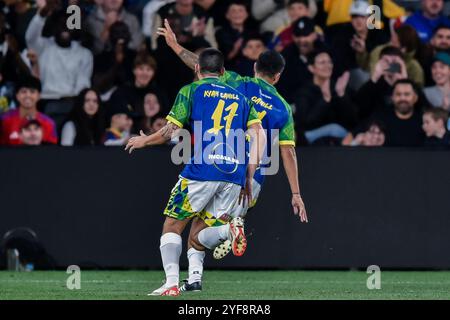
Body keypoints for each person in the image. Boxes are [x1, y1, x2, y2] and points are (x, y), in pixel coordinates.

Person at [158, 20, 307, 292]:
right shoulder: (284, 108)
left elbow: (204, 67)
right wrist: (295, 194)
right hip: (253, 178)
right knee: (201, 231)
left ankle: (221, 240)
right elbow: (288, 151)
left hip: (224, 164)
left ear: (255, 67)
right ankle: (195, 278)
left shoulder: (238, 83)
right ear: (278, 76)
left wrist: (175, 46)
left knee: (192, 227)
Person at [124, 48, 265, 296]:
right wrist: (249, 173)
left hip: (202, 169)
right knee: (199, 234)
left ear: (197, 69)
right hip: (233, 173)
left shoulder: (191, 91)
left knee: (172, 226)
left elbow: (170, 132)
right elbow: (259, 135)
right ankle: (226, 232)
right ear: (222, 72)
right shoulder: (241, 99)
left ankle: (170, 283)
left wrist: (144, 141)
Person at [25, 2, 93, 129]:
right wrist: (44, 11)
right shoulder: (43, 47)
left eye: (68, 25)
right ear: (54, 26)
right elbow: (30, 37)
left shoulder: (84, 53)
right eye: (61, 24)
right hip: (47, 102)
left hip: (73, 103)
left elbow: (83, 85)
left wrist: (74, 6)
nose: (65, 28)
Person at [294, 49, 358, 145]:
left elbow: (353, 120)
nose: (327, 66)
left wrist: (341, 95)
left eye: (329, 62)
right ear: (311, 68)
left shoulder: (338, 86)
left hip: (339, 140)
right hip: (310, 140)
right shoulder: (304, 91)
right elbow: (305, 122)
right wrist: (325, 100)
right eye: (322, 63)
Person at [353, 79, 425, 146]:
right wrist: (354, 143)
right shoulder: (380, 116)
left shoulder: (425, 120)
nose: (402, 98)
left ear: (415, 98)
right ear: (392, 98)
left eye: (407, 94)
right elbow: (350, 138)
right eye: (398, 94)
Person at [277, 16, 326, 103]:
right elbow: (281, 86)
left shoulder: (325, 51)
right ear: (293, 37)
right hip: (295, 102)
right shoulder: (286, 55)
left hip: (323, 99)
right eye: (298, 36)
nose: (302, 40)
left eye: (306, 35)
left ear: (314, 35)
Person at [0, 76, 57, 145]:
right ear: (17, 96)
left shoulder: (49, 123)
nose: (28, 95)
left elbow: (52, 151)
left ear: (39, 96)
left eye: (32, 92)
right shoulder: (4, 120)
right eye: (23, 92)